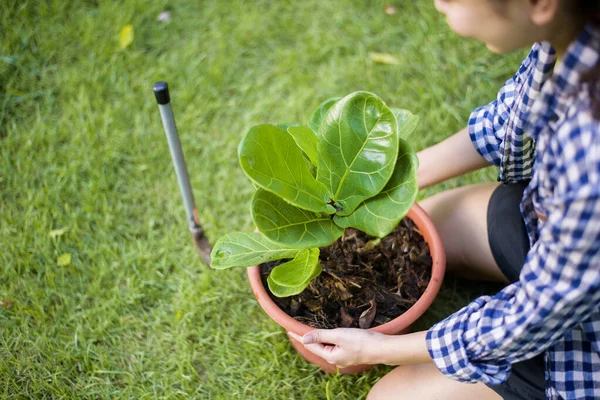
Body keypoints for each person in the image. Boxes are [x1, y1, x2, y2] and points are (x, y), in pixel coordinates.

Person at [287, 1, 600, 399]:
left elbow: (532, 317)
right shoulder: (576, 39)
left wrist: (378, 349)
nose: (437, 3)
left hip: (584, 345)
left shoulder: (590, 153)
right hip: (564, 240)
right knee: (433, 224)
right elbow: (508, 121)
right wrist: (377, 189)